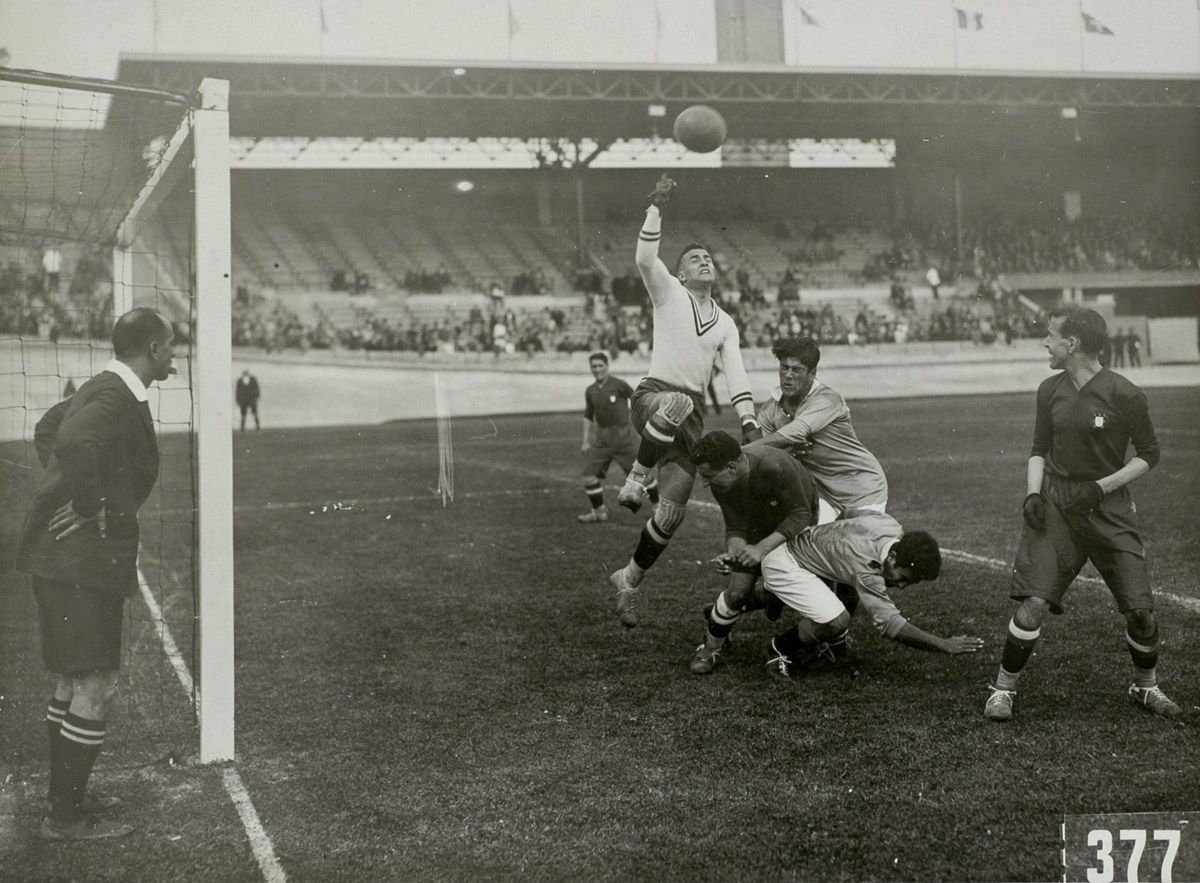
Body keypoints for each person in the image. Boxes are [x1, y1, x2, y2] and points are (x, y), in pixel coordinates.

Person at [16, 308, 175, 841]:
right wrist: (89, 500)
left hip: (60, 561)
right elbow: (74, 441)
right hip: (79, 562)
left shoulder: (103, 385)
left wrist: (68, 487)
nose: (175, 356)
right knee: (96, 681)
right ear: (152, 349)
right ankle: (65, 818)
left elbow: (48, 429)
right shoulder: (114, 395)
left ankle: (65, 799)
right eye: (171, 346)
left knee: (73, 678)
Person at [983, 305, 1180, 721]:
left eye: (1051, 335)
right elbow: (1039, 448)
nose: (1045, 343)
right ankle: (1003, 688)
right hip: (1057, 503)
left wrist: (1098, 488)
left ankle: (1145, 687)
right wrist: (1032, 495)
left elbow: (1149, 454)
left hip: (1108, 505)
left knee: (1140, 612)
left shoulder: (1124, 393)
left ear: (1072, 343)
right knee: (1033, 603)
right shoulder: (1049, 390)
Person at [609, 174, 760, 628]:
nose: (704, 261)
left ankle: (628, 578)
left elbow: (735, 373)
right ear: (681, 274)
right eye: (695, 259)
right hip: (654, 397)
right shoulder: (668, 293)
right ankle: (636, 478)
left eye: (708, 257)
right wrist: (655, 208)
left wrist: (749, 421)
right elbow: (643, 257)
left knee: (671, 514)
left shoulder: (726, 322)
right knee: (675, 403)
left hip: (687, 418)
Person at [767, 513, 985, 676]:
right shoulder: (867, 570)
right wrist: (943, 644)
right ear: (892, 557)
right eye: (904, 579)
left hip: (797, 546)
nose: (900, 586)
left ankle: (763, 601)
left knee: (849, 593)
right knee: (837, 620)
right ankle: (777, 649)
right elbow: (890, 625)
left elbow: (850, 513)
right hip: (786, 562)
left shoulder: (889, 526)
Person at [687, 431, 827, 675]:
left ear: (731, 467)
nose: (704, 484)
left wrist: (762, 549)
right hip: (759, 529)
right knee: (737, 591)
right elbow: (735, 524)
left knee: (793, 590)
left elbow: (800, 515)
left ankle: (768, 604)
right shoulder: (723, 481)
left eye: (708, 476)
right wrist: (735, 552)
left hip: (798, 528)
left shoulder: (775, 466)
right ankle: (709, 648)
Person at [747, 337, 887, 524]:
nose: (788, 375)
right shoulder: (769, 409)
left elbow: (795, 432)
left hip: (861, 489)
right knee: (810, 546)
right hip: (823, 495)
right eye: (784, 367)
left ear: (812, 373)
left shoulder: (827, 399)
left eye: (796, 370)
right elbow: (763, 456)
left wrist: (739, 452)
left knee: (855, 549)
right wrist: (788, 452)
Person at [578, 351, 658, 523]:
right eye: (594, 366)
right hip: (602, 442)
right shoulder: (590, 391)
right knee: (589, 477)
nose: (597, 369)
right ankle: (599, 512)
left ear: (607, 366)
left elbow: (638, 401)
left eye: (600, 365)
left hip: (625, 440)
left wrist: (644, 424)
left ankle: (658, 508)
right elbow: (588, 415)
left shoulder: (619, 385)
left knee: (643, 476)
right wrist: (585, 440)